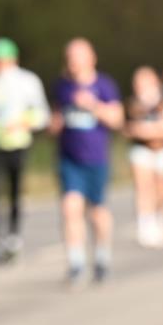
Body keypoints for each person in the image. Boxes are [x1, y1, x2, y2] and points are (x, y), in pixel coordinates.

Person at [0, 37, 50, 264]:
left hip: (18, 142)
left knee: (15, 191)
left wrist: (23, 123)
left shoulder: (27, 81)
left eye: (3, 61)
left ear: (13, 60)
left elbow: (41, 114)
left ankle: (14, 235)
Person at [51, 38, 123, 286]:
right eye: (69, 56)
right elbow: (56, 119)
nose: (73, 62)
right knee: (70, 207)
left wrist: (93, 105)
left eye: (78, 56)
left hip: (96, 158)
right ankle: (76, 262)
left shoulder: (104, 85)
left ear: (91, 58)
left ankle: (102, 258)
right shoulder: (62, 86)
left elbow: (117, 119)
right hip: (69, 158)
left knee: (98, 212)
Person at [125, 66, 163, 248]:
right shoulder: (132, 104)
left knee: (162, 189)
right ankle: (145, 224)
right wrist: (150, 132)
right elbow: (129, 129)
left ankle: (160, 219)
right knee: (143, 187)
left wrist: (152, 131)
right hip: (142, 150)